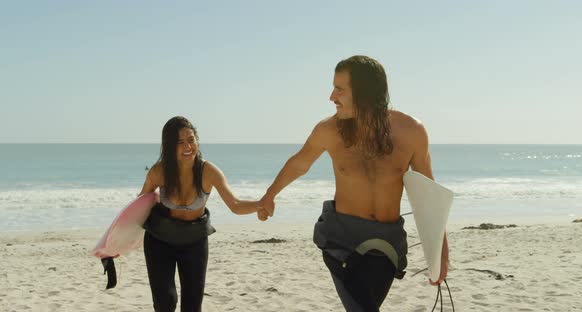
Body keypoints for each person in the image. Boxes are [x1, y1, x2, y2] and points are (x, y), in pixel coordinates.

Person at [258, 55, 449, 311]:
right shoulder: (328, 130)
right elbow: (299, 163)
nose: (331, 97)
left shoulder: (411, 132)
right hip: (341, 240)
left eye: (339, 89)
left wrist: (440, 255)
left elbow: (429, 196)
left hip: (387, 244)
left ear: (364, 92)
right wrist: (269, 195)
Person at [139, 116, 262, 312]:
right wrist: (117, 242)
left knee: (192, 306)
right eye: (180, 142)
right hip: (160, 240)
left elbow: (236, 204)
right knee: (165, 302)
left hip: (194, 241)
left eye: (191, 139)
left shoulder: (208, 171)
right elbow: (138, 207)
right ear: (170, 146)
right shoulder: (159, 172)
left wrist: (260, 205)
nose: (188, 146)